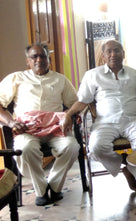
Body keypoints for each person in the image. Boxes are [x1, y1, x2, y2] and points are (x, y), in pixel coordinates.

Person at [63, 40, 136, 193]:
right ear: (104, 56)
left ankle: (131, 167)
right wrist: (68, 114)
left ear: (123, 54)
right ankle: (125, 166)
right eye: (109, 51)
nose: (113, 54)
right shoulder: (92, 75)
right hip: (105, 123)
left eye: (117, 50)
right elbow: (82, 102)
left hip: (134, 120)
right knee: (96, 147)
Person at [0, 43, 79, 206]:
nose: (39, 60)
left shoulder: (60, 79)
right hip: (27, 129)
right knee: (25, 149)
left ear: (48, 59)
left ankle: (55, 186)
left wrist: (69, 115)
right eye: (34, 57)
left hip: (56, 128)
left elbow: (75, 103)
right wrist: (11, 122)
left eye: (43, 56)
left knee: (72, 146)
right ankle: (41, 189)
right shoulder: (16, 78)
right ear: (27, 61)